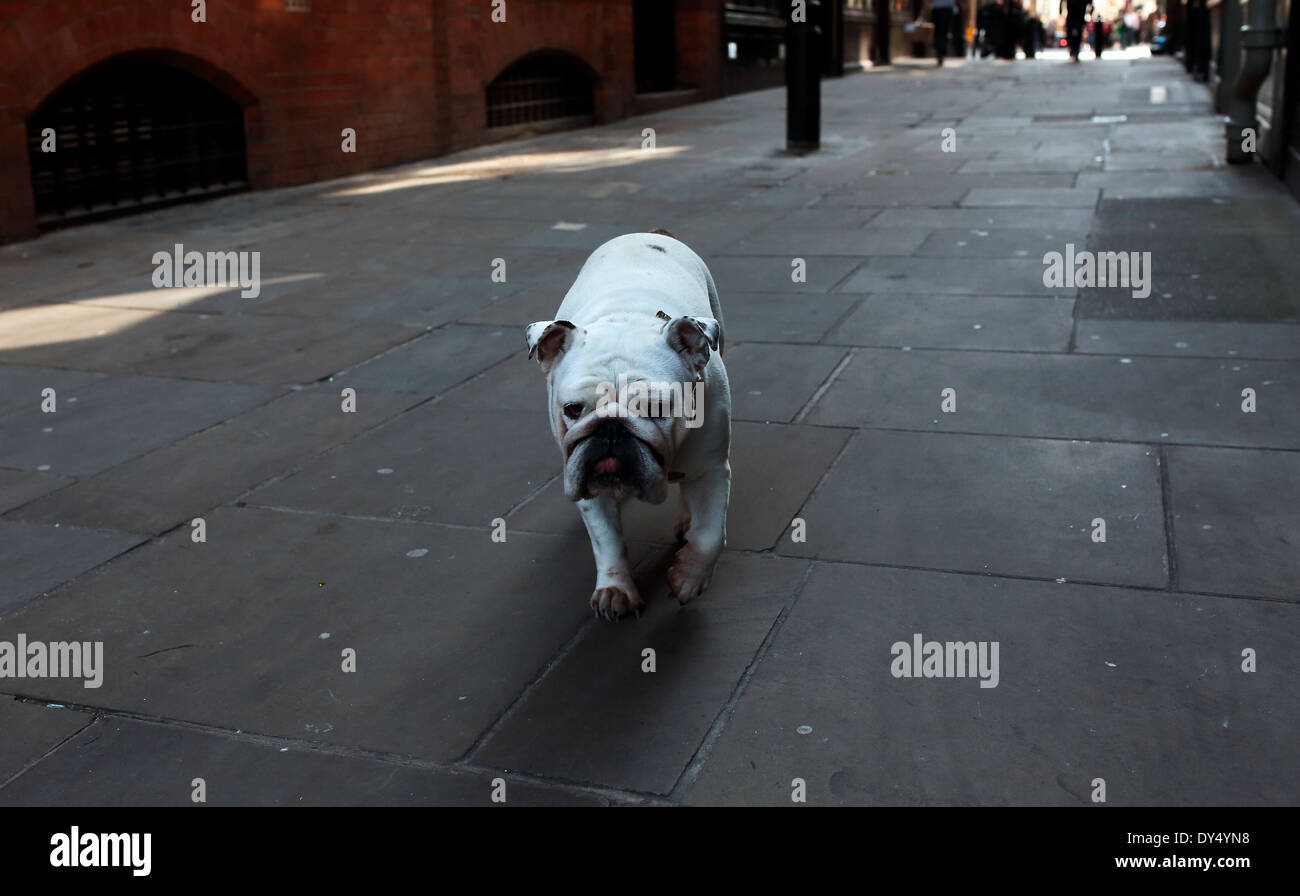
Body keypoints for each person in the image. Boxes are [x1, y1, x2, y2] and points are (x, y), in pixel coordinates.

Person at [930, 0, 956, 65]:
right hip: (944, 9)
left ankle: (940, 53)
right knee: (943, 32)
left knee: (940, 32)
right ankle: (941, 53)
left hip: (940, 8)